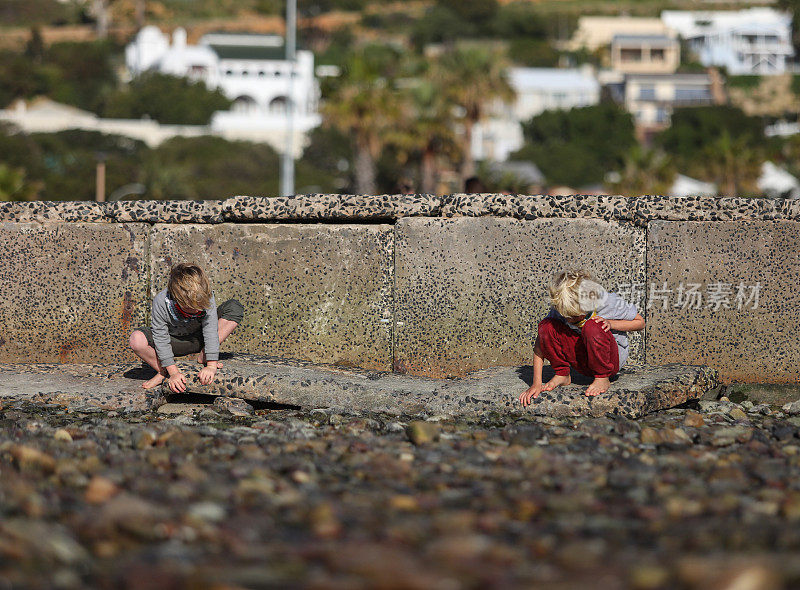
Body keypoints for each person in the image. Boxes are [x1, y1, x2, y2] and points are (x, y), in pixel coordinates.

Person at [519, 269, 644, 406]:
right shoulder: (562, 307)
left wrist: (611, 323)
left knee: (592, 326)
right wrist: (536, 383)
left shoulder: (608, 302)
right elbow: (540, 345)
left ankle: (602, 377)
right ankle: (562, 374)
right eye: (566, 315)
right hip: (583, 359)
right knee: (546, 326)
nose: (569, 319)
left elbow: (640, 322)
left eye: (574, 316)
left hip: (609, 361)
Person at [129, 263, 244, 392]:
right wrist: (173, 373)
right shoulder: (161, 301)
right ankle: (163, 372)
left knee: (234, 307)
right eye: (190, 307)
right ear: (176, 297)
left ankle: (204, 355)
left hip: (199, 339)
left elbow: (211, 329)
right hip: (175, 342)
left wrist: (211, 365)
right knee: (136, 339)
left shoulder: (206, 294)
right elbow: (161, 337)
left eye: (200, 306)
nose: (196, 310)